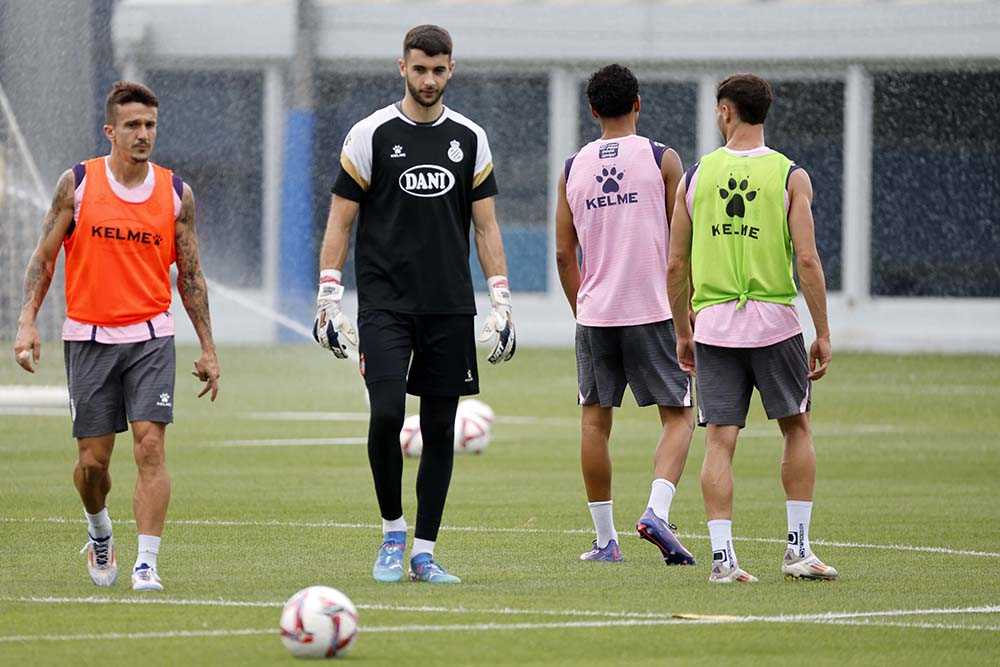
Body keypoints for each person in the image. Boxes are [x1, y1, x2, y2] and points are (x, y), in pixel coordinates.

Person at [314, 24, 515, 585]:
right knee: (384, 416)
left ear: (452, 70)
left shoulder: (470, 139)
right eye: (419, 68)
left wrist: (500, 299)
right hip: (384, 305)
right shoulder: (370, 134)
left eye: (439, 69)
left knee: (440, 428)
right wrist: (329, 294)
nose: (429, 79)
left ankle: (424, 552)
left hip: (450, 307)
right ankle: (392, 531)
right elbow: (340, 219)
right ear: (401, 67)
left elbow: (486, 226)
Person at [13, 80, 221, 592]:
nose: (142, 134)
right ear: (110, 130)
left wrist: (209, 349)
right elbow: (43, 257)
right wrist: (26, 322)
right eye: (131, 125)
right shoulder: (78, 184)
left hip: (151, 335)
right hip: (87, 337)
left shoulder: (176, 194)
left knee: (150, 448)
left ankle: (146, 564)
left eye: (149, 125)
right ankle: (100, 530)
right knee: (92, 465)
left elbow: (190, 276)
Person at [666, 73, 838, 583]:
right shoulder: (790, 176)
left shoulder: (695, 177)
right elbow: (807, 259)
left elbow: (675, 266)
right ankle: (798, 549)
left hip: (715, 324)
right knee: (796, 427)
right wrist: (823, 331)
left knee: (720, 440)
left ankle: (723, 559)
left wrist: (682, 329)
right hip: (774, 322)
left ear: (725, 112)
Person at [555, 64, 696, 566]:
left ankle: (604, 541)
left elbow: (563, 256)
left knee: (595, 423)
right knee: (679, 416)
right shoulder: (663, 161)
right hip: (654, 311)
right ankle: (656, 511)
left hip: (596, 315)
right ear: (638, 103)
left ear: (592, 110)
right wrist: (689, 313)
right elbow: (684, 249)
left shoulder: (572, 168)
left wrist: (584, 307)